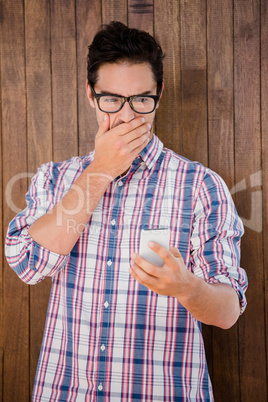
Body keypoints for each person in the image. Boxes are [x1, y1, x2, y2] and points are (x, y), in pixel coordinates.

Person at [5, 21, 248, 401]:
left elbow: (228, 310)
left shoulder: (201, 186)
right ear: (91, 95)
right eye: (112, 100)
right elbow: (27, 266)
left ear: (158, 95)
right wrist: (99, 171)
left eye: (141, 100)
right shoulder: (54, 178)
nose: (128, 115)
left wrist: (186, 287)